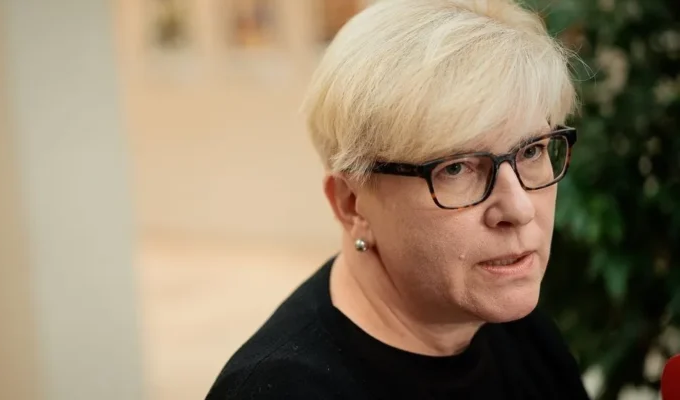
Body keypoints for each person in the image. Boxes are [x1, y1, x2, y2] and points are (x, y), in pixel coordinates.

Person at [205, 0, 592, 399]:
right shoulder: (283, 390)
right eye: (456, 169)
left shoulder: (520, 333)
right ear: (352, 204)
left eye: (532, 151)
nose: (519, 209)